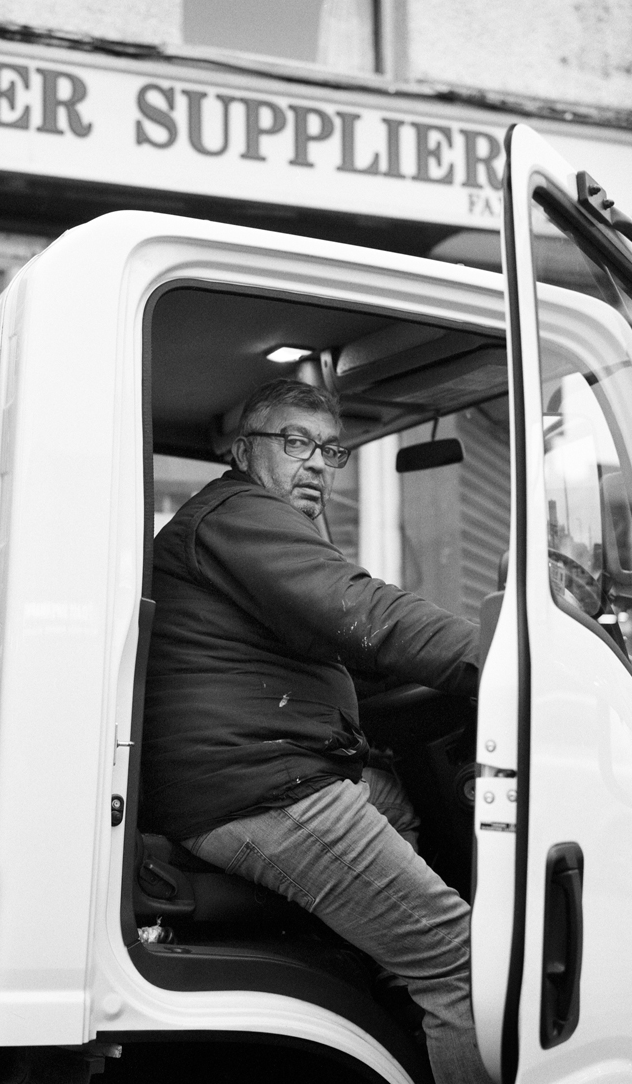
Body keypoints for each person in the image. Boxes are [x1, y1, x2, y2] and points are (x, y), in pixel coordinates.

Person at [142, 378, 491, 1084]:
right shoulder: (242, 515)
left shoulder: (244, 527)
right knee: (461, 960)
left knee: (394, 802)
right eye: (295, 442)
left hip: (252, 771)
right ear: (244, 452)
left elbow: (336, 643)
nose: (316, 465)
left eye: (330, 451)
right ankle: (429, 985)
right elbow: (366, 614)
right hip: (260, 789)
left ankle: (387, 971)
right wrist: (512, 654)